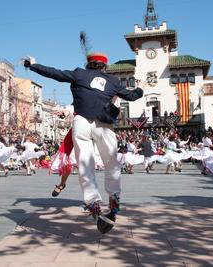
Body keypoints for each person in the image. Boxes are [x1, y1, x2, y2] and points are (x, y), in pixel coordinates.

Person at [23, 52, 147, 233]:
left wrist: (33, 64)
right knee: (111, 164)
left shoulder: (79, 74)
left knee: (85, 165)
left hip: (81, 122)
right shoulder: (112, 81)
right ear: (105, 66)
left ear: (89, 64)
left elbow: (54, 73)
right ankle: (113, 206)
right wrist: (141, 87)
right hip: (103, 124)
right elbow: (132, 96)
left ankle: (94, 207)